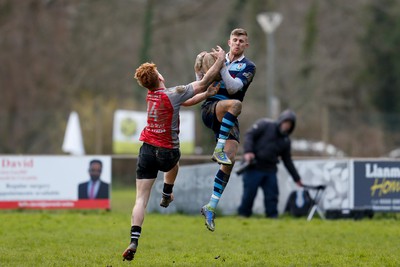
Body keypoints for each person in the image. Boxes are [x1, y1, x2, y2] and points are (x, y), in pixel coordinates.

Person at [122, 46, 226, 261]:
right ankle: (167, 193)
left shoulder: (152, 96)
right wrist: (221, 60)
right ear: (159, 76)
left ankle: (134, 240)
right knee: (174, 165)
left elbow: (187, 101)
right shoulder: (173, 93)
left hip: (147, 150)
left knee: (140, 199)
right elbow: (204, 81)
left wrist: (206, 95)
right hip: (168, 151)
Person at [195, 28, 256, 232]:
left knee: (229, 161)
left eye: (242, 41)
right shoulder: (214, 59)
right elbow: (201, 85)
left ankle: (210, 206)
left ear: (246, 45)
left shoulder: (248, 66)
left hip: (228, 115)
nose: (238, 43)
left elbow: (232, 88)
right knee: (236, 106)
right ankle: (218, 147)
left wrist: (221, 65)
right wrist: (200, 68)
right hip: (211, 108)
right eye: (235, 40)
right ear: (229, 42)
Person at [237, 109, 303, 218]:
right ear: (281, 120)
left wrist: (297, 178)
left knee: (272, 196)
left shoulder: (286, 141)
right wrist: (248, 152)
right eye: (286, 122)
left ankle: (272, 218)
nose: (287, 126)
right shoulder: (265, 124)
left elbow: (287, 161)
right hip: (253, 167)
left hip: (270, 170)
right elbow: (249, 135)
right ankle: (243, 215)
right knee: (249, 195)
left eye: (290, 125)